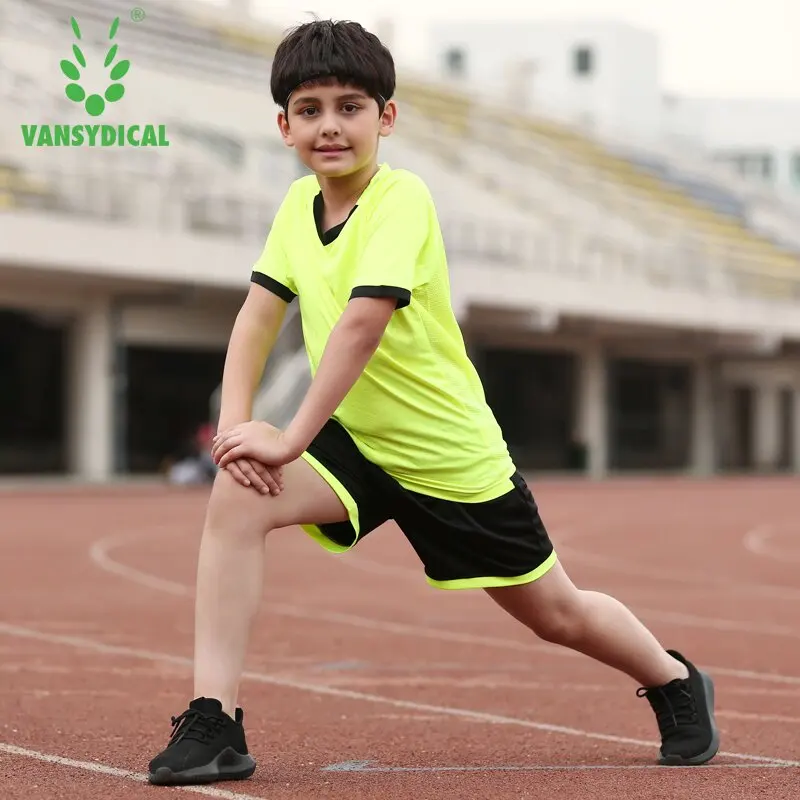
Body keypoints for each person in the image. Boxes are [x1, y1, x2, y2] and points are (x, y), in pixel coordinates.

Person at [146, 19, 719, 786]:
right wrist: (237, 428)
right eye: (309, 110)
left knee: (557, 614)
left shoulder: (402, 199)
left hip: (447, 457)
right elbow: (257, 316)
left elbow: (361, 327)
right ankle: (214, 719)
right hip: (356, 441)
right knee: (237, 494)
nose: (329, 125)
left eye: (350, 107)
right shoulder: (295, 209)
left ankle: (675, 679)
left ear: (386, 117)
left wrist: (287, 438)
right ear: (284, 126)